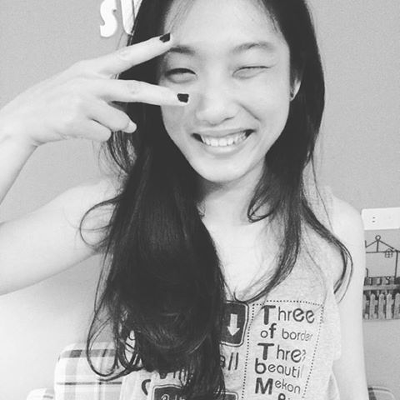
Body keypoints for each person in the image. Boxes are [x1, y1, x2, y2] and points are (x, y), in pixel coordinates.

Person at [0, 0, 368, 398]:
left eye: (248, 68)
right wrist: (15, 130)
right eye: (180, 72)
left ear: (294, 77)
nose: (213, 110)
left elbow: (350, 387)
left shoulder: (333, 229)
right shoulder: (120, 210)